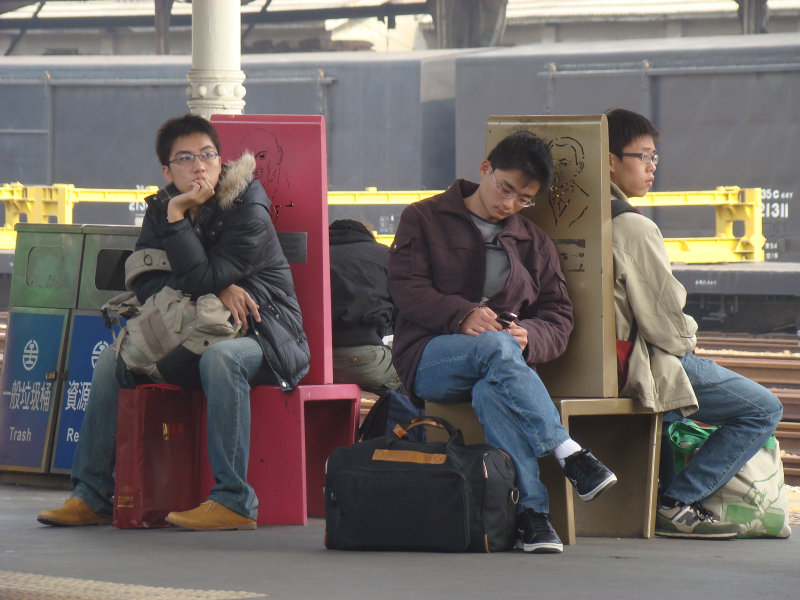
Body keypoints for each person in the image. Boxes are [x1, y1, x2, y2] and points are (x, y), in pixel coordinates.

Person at [37, 114, 310, 531]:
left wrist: (185, 235)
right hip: (193, 331)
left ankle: (234, 500)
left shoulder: (247, 207)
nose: (199, 166)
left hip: (265, 332)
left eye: (207, 155)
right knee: (113, 362)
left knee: (223, 360)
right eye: (185, 158)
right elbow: (146, 281)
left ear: (221, 162)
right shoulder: (162, 209)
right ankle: (91, 495)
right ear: (167, 170)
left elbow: (196, 278)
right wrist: (214, 285)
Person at [387, 130, 618, 554]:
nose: (509, 203)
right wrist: (461, 315)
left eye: (523, 199)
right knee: (496, 348)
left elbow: (559, 315)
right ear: (485, 170)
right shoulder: (423, 218)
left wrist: (531, 337)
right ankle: (568, 452)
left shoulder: (534, 241)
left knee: (494, 385)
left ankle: (532, 517)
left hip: (499, 366)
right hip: (428, 357)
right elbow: (405, 288)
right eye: (504, 188)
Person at [604, 108, 783, 539]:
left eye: (654, 158)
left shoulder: (570, 219)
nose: (651, 167)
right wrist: (690, 341)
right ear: (610, 160)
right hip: (636, 364)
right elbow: (666, 324)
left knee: (671, 400)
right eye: (643, 156)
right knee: (763, 409)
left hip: (595, 360)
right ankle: (677, 501)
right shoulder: (632, 227)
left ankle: (659, 498)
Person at [329, 219, 401, 396]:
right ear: (368, 236)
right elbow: (405, 313)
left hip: (314, 362)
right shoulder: (384, 255)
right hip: (367, 360)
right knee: (412, 375)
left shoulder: (313, 254)